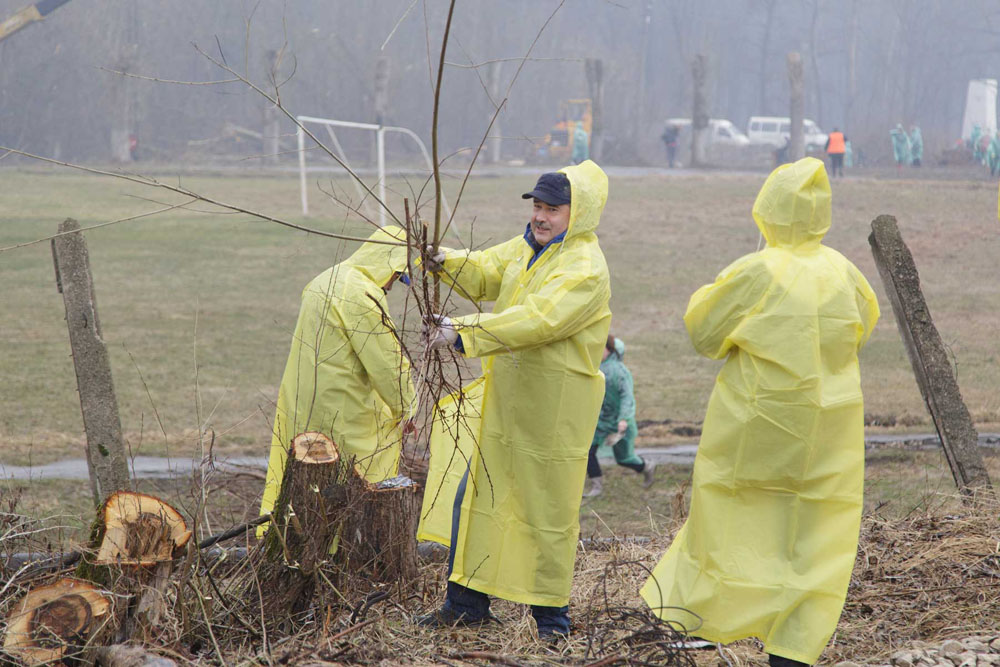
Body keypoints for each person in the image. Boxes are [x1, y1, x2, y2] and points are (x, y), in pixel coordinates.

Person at [640, 157, 879, 667]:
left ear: (767, 209)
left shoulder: (758, 271)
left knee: (730, 520)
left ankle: (698, 621)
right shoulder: (845, 271)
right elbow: (865, 324)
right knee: (814, 536)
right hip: (829, 433)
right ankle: (793, 644)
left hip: (757, 426)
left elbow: (703, 331)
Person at [416, 161, 612, 641]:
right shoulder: (529, 247)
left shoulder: (584, 268)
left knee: (545, 515)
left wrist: (462, 331)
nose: (541, 217)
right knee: (476, 498)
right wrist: (442, 260)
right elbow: (485, 270)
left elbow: (538, 319)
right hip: (508, 409)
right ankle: (465, 604)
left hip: (552, 418)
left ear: (577, 213)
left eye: (552, 209)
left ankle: (552, 623)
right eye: (538, 207)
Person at [259, 226, 416, 532]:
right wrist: (406, 408)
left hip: (303, 403)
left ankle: (291, 543)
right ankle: (341, 554)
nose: (392, 285)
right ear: (388, 264)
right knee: (347, 495)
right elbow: (387, 365)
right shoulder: (361, 296)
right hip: (343, 412)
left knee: (302, 489)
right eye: (396, 276)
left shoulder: (325, 280)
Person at [584, 335, 655, 497]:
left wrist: (623, 419)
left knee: (623, 458)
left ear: (609, 350)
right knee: (588, 450)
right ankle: (596, 486)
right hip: (600, 421)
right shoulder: (595, 367)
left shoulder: (620, 372)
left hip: (619, 423)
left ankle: (646, 466)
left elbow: (627, 397)